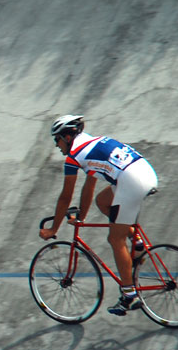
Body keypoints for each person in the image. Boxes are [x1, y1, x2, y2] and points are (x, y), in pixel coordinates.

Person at [39, 115, 158, 316]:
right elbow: (89, 187)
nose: (57, 146)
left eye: (56, 140)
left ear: (67, 136)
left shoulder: (74, 156)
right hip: (144, 173)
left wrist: (53, 229)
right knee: (103, 202)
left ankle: (129, 295)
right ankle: (137, 243)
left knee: (115, 239)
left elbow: (65, 197)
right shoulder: (93, 143)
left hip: (131, 182)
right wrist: (81, 218)